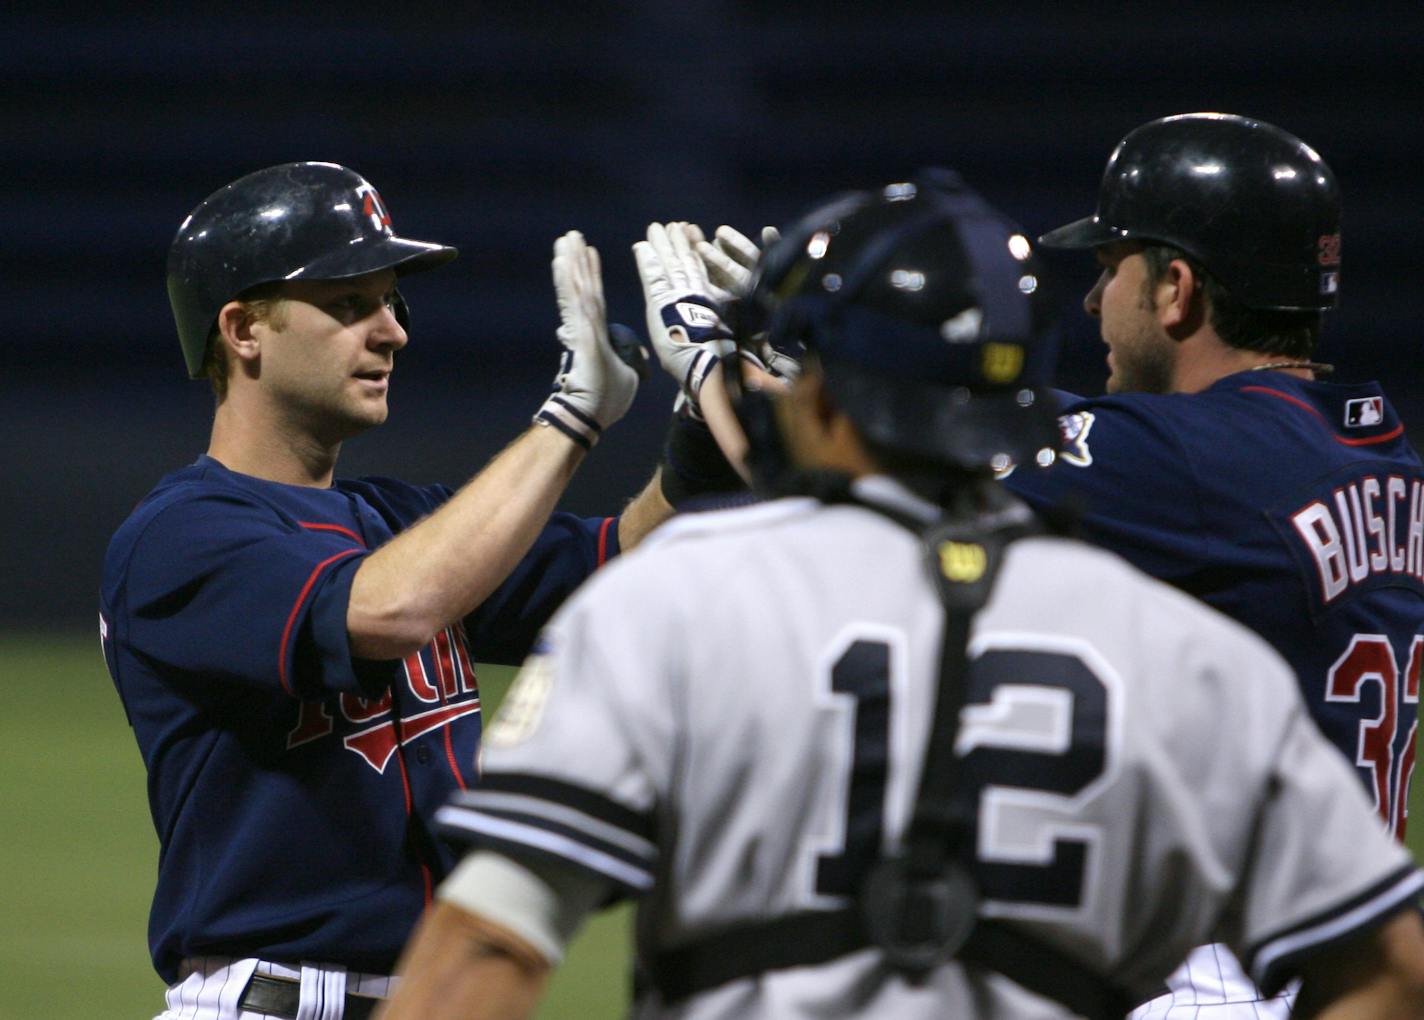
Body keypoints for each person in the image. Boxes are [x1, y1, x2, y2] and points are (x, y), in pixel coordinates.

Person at [377, 174, 1424, 1020]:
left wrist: (716, 375)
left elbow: (485, 943)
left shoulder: (679, 605)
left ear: (821, 395)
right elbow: (1386, 966)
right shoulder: (1186, 651)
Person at [98, 161, 673, 1020]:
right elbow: (386, 610)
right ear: (243, 329)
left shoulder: (399, 521)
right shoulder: (180, 537)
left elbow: (626, 560)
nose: (391, 331)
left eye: (391, 303)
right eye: (347, 305)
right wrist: (570, 419)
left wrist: (727, 413)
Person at [992, 113, 1424, 1017]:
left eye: (1113, 268)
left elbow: (904, 453)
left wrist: (734, 365)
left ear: (1175, 288)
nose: (1092, 300)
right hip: (1338, 961)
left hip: (1213, 977)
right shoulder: (1381, 454)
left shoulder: (1193, 459)